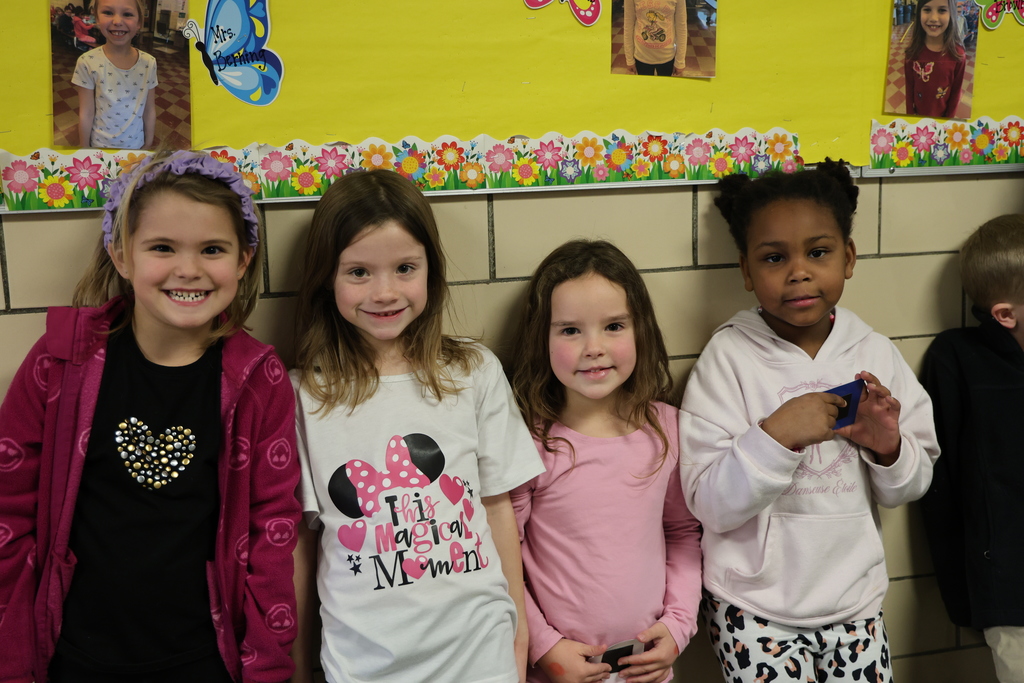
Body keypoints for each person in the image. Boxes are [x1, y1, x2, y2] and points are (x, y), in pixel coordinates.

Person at [0, 149, 301, 683]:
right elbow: (9, 511)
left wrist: (269, 665)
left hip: (204, 660)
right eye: (162, 247)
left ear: (244, 260)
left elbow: (271, 533)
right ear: (121, 255)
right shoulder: (61, 360)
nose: (188, 269)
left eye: (212, 249)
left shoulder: (258, 378)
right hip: (74, 656)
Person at [678, 160, 940, 682]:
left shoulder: (875, 352)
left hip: (855, 603)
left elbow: (911, 483)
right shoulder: (728, 358)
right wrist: (777, 436)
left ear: (848, 258)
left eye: (817, 252)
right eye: (774, 258)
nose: (798, 271)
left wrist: (889, 447)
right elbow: (706, 501)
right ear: (747, 272)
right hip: (753, 607)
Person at [290, 169, 545, 683]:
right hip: (364, 663)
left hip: (480, 652)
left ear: (432, 269)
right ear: (326, 278)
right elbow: (303, 544)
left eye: (405, 268)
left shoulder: (473, 371)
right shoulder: (302, 395)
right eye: (358, 272)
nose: (384, 292)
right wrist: (298, 662)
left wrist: (517, 630)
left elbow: (497, 508)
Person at [508, 240, 703, 683]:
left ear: (641, 331)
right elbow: (504, 557)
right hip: (559, 671)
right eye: (570, 330)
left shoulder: (667, 429)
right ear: (543, 338)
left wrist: (677, 626)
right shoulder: (530, 442)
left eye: (613, 326)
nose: (593, 347)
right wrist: (544, 647)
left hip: (647, 669)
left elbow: (682, 533)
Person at [920, 215, 1024, 683]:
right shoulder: (957, 360)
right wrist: (963, 595)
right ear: (1006, 314)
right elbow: (940, 490)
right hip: (1010, 594)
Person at [73, 0, 157, 148]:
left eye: (127, 14)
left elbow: (149, 110)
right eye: (108, 12)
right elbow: (86, 113)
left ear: (139, 23)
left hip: (136, 146)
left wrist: (148, 144)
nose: (117, 21)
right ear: (97, 19)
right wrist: (84, 150)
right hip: (100, 147)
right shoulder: (87, 62)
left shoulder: (149, 63)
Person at [904, 0, 965, 118]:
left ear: (951, 13)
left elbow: (956, 92)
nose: (933, 18)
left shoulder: (958, 55)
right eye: (927, 10)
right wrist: (909, 118)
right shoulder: (912, 53)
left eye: (942, 10)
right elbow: (909, 88)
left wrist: (948, 121)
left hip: (942, 118)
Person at [623, 0, 687, 77]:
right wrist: (629, 59)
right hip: (641, 55)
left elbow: (681, 27)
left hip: (667, 56)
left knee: (664, 88)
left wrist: (680, 61)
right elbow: (628, 25)